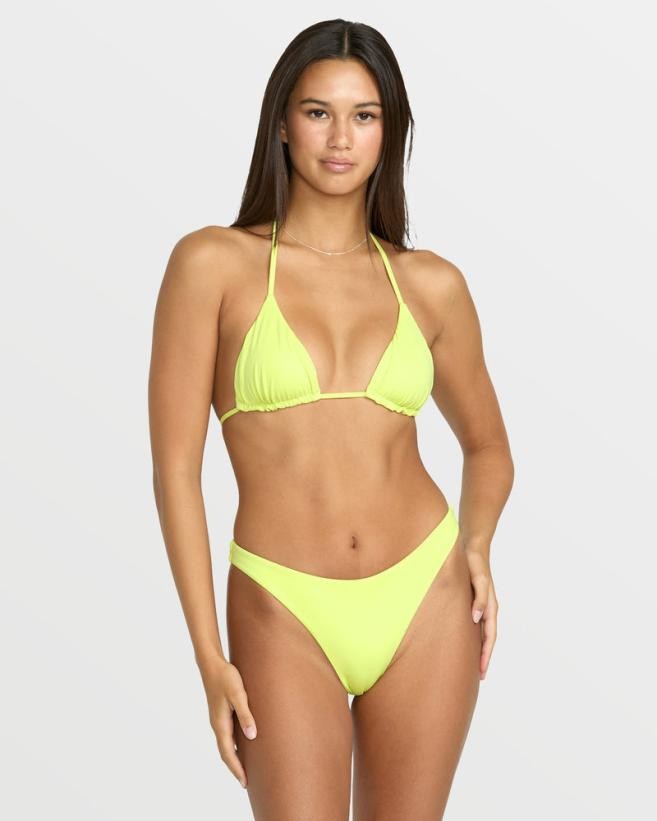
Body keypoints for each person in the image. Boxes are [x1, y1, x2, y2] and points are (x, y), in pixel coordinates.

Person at [149, 18, 513, 821]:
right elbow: (176, 469)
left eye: (364, 115)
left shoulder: (431, 284)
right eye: (317, 112)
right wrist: (208, 654)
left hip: (425, 595)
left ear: (390, 130)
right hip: (280, 604)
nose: (340, 137)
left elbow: (488, 447)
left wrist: (477, 543)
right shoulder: (211, 264)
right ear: (282, 123)